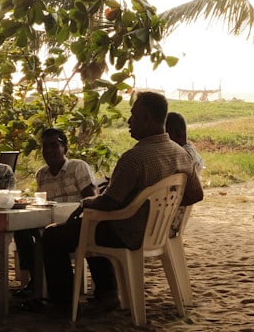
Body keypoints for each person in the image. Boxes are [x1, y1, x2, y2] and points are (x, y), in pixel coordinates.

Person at [34, 92, 204, 315]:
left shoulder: (134, 158)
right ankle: (107, 294)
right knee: (89, 227)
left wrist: (86, 202)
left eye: (133, 115)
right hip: (156, 233)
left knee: (55, 235)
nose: (129, 121)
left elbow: (110, 202)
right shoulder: (181, 155)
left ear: (147, 119)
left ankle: (63, 302)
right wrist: (159, 208)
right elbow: (195, 195)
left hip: (128, 233)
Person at [14, 128, 98, 293]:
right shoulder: (41, 174)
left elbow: (90, 199)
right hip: (49, 222)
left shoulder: (77, 167)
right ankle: (35, 277)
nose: (49, 150)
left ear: (65, 148)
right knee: (21, 230)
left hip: (75, 223)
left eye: (54, 145)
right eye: (45, 146)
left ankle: (61, 293)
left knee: (51, 237)